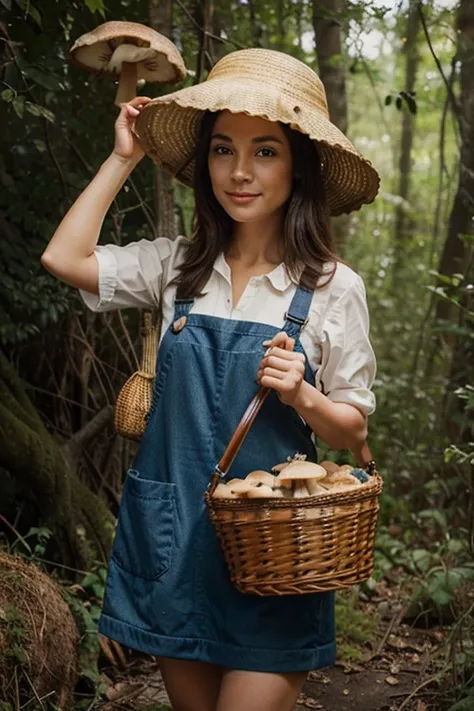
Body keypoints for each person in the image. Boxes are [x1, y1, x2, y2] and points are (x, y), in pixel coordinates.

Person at [41, 48, 379, 711]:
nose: (240, 172)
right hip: (176, 548)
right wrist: (123, 157)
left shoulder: (334, 288)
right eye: (223, 150)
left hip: (276, 559)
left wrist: (303, 392)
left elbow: (352, 429)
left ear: (299, 164)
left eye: (265, 151)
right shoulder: (176, 269)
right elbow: (64, 256)